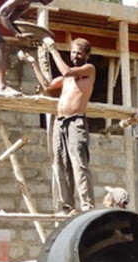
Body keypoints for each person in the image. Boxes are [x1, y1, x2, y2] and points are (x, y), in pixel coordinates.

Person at [32, 36, 96, 214]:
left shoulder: (88, 70)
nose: (75, 55)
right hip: (60, 123)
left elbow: (67, 71)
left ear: (87, 55)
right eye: (73, 52)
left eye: (79, 53)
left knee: (79, 162)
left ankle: (87, 204)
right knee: (61, 163)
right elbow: (47, 85)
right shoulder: (67, 78)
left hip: (76, 121)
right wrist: (33, 64)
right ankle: (68, 205)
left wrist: (53, 50)